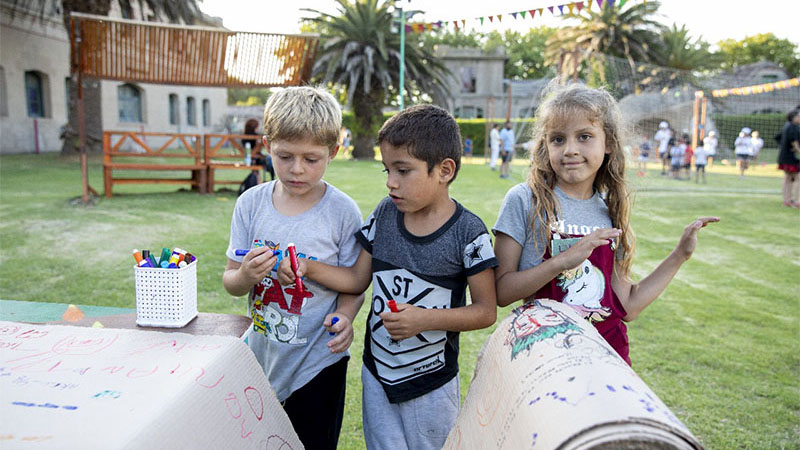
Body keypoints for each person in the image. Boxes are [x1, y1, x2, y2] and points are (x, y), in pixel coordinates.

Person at [277, 104, 498, 450]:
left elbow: (486, 311)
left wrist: (424, 320)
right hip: (377, 375)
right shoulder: (384, 213)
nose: (390, 182)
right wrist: (309, 267)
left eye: (403, 170)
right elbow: (355, 280)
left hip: (432, 384)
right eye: (387, 170)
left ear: (444, 170)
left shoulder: (469, 232)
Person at [492, 81, 719, 365]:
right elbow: (501, 292)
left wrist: (679, 255)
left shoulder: (611, 210)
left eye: (584, 136)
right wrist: (561, 262)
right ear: (545, 145)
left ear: (609, 143)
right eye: (558, 139)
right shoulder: (526, 200)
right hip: (547, 356)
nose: (570, 149)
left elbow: (628, 306)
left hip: (606, 357)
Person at [223, 87, 364, 450]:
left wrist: (346, 317)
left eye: (311, 159)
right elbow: (231, 280)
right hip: (261, 357)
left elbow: (355, 282)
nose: (297, 169)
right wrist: (246, 276)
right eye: (285, 156)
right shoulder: (250, 203)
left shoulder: (343, 213)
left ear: (333, 152)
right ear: (267, 145)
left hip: (319, 362)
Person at [778, 109, 800, 208]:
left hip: (784, 155)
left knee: (788, 178)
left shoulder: (786, 126)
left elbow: (777, 137)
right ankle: (796, 201)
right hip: (789, 157)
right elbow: (795, 144)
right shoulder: (793, 127)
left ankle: (787, 200)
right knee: (797, 178)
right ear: (793, 117)